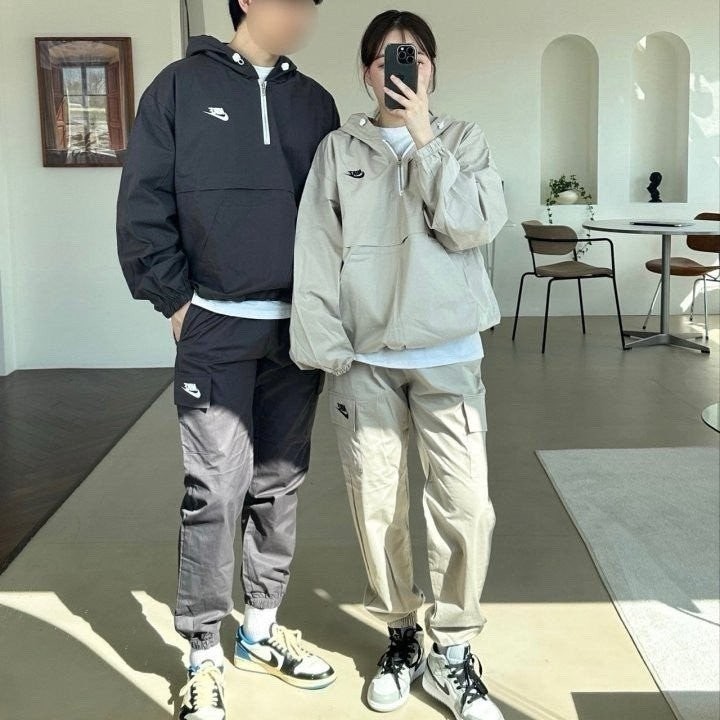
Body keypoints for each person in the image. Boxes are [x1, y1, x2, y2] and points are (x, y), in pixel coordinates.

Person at [117, 1, 339, 718]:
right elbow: (143, 201)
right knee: (215, 489)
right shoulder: (180, 88)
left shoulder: (315, 102)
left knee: (279, 484)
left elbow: (333, 214)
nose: (301, 15)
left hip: (295, 330)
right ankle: (202, 653)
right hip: (214, 325)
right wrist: (174, 299)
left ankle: (261, 632)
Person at [290, 9, 507, 720]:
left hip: (450, 354)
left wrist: (423, 140)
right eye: (387, 57)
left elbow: (474, 225)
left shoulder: (462, 139)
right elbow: (315, 250)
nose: (400, 67)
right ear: (366, 72)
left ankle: (454, 649)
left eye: (413, 55)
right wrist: (326, 349)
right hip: (366, 360)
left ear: (433, 68)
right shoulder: (337, 150)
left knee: (466, 506)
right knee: (376, 504)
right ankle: (402, 635)